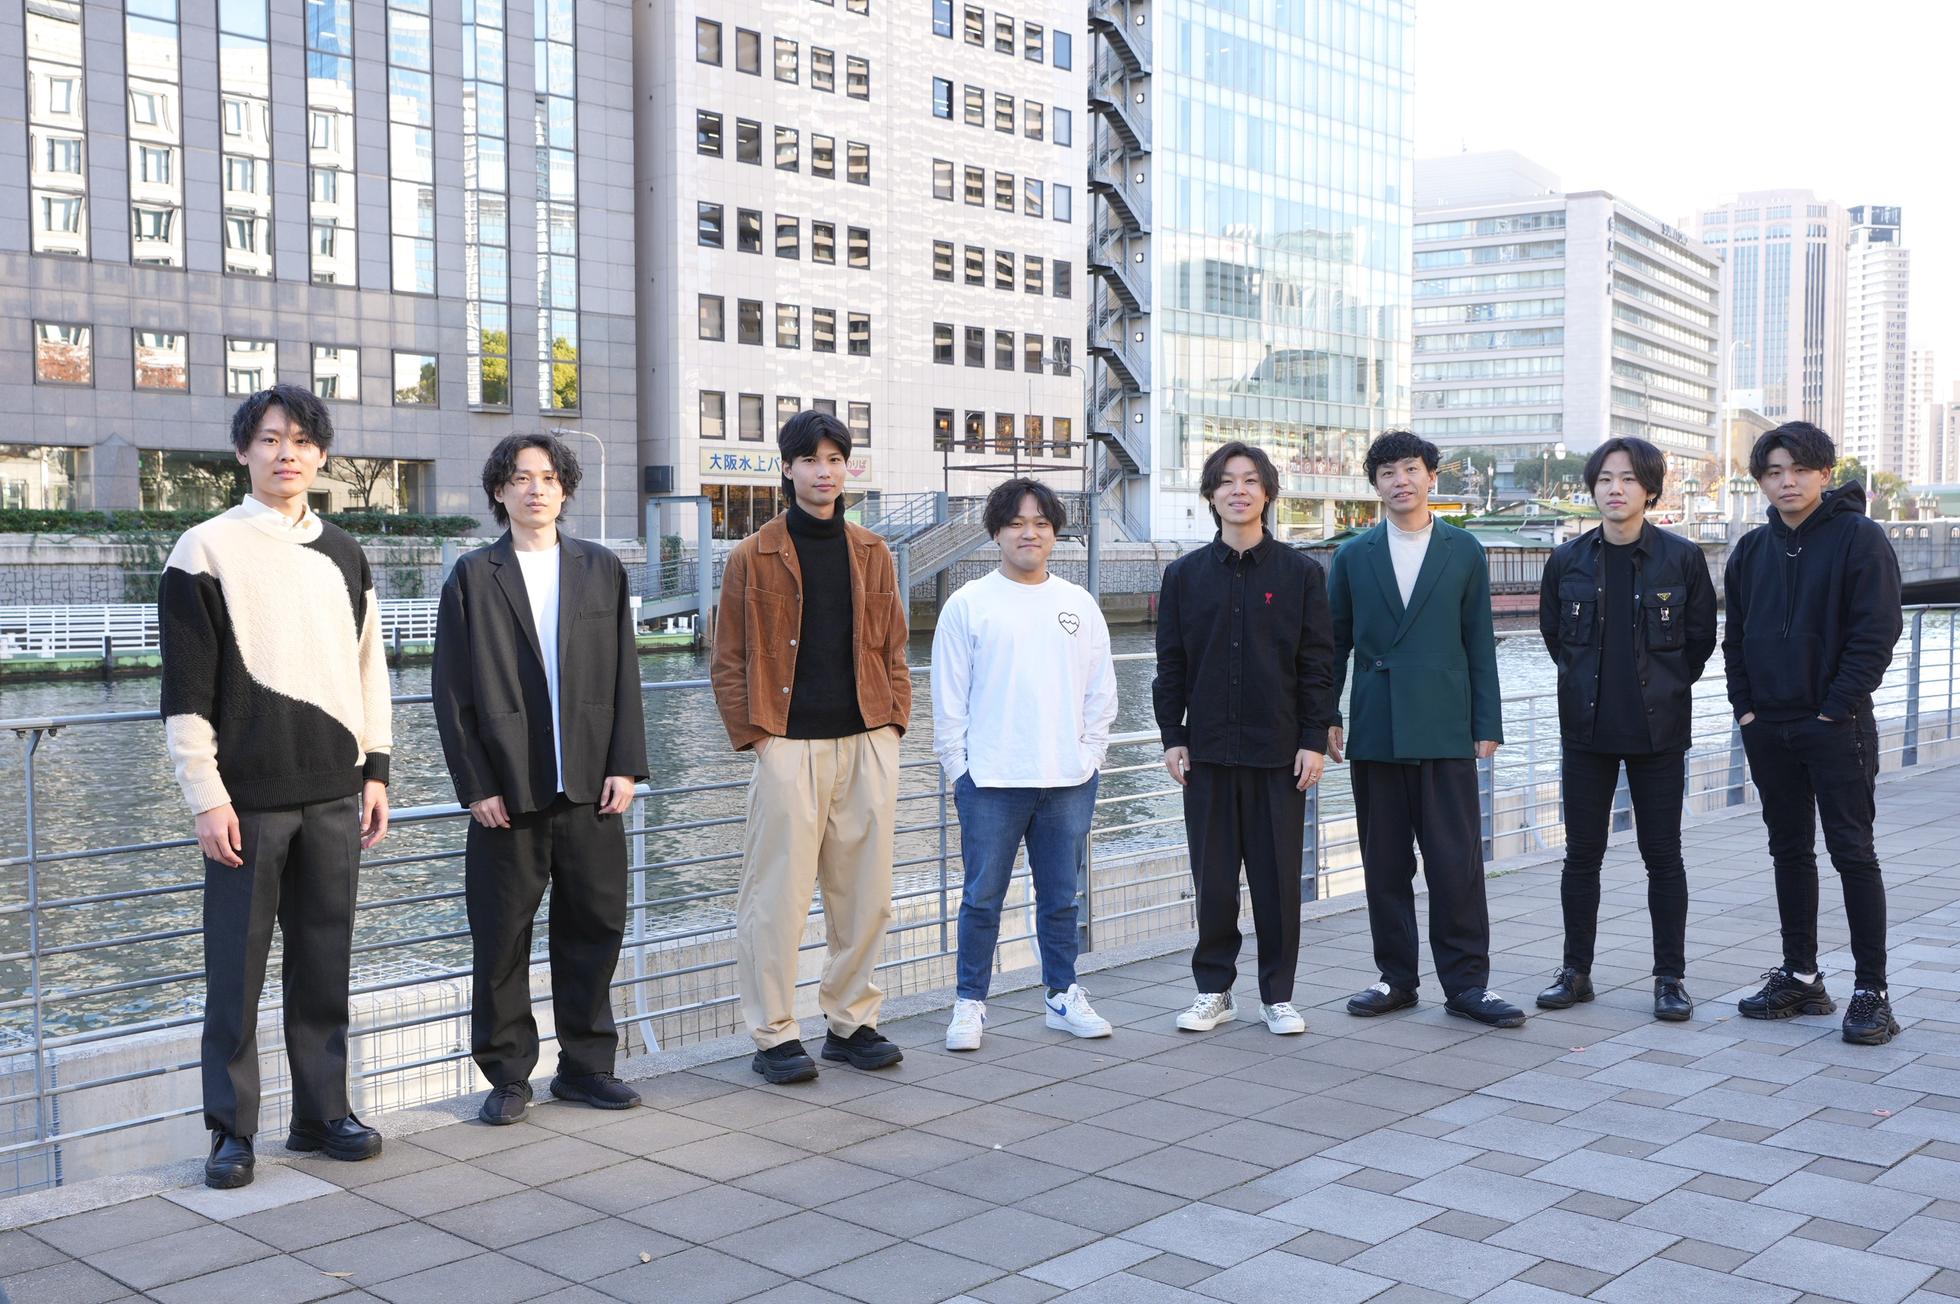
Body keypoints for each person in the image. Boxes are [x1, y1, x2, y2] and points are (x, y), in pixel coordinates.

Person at [159, 385, 391, 1189]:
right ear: (243, 452)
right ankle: (231, 1132)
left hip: (334, 791)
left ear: (321, 455)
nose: (284, 453)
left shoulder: (346, 550)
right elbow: (185, 689)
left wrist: (376, 769)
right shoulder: (204, 549)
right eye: (268, 438)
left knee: (325, 964)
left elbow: (369, 667)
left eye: (299, 440)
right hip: (245, 801)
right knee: (236, 973)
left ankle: (323, 1114)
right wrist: (206, 795)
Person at [432, 434, 649, 1125]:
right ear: (500, 491)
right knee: (502, 937)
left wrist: (625, 763)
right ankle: (507, 1075)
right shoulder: (474, 576)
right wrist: (476, 784)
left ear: (565, 489)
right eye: (521, 478)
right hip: (508, 791)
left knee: (595, 927)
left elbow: (625, 673)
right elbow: (451, 692)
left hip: (591, 785)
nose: (536, 489)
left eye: (549, 477)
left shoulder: (600, 567)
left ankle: (586, 1067)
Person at [711, 410, 911, 1083]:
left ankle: (851, 1023)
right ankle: (774, 1033)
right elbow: (728, 658)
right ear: (788, 469)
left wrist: (893, 725)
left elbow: (894, 648)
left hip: (867, 737)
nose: (824, 471)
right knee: (776, 898)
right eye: (811, 460)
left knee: (867, 896)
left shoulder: (873, 550)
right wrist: (759, 739)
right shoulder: (752, 554)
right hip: (787, 744)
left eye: (835, 459)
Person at [1327, 430, 1521, 1027]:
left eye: (1411, 469)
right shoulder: (1352, 555)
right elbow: (1331, 646)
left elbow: (1479, 641)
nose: (1401, 481)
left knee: (1454, 863)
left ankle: (1467, 985)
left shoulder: (1464, 549)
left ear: (1431, 477)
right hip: (1377, 726)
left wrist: (1487, 720)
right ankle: (1396, 979)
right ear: (1375, 485)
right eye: (1388, 472)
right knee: (1385, 864)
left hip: (1445, 724)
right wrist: (1325, 715)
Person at [1724, 422, 1903, 1045]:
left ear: (1825, 474)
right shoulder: (1751, 549)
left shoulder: (1859, 538)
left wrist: (1833, 709)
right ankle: (1801, 976)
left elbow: (1876, 633)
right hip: (1768, 727)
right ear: (1761, 481)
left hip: (1836, 726)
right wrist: (1746, 710)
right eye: (1774, 472)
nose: (1787, 482)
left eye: (1799, 469)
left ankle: (1872, 992)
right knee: (1789, 851)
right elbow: (1734, 638)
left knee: (1852, 852)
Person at [1152, 441, 1334, 1036]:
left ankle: (1277, 995)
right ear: (1211, 495)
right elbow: (1171, 664)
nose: (1239, 490)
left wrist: (1313, 738)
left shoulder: (1301, 574)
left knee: (1278, 883)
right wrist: (1172, 735)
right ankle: (1214, 990)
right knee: (1213, 882)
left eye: (1251, 480)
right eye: (1227, 481)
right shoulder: (1183, 576)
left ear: (1267, 493)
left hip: (1279, 752)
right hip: (1205, 752)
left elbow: (1318, 664)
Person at [1535, 437, 1716, 1021]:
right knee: (1580, 858)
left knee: (1663, 857)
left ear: (1650, 490)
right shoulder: (1566, 560)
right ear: (1593, 489)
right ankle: (1575, 972)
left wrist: (1663, 686)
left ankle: (1670, 978)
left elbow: (1699, 640)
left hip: (1658, 733)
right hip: (1585, 733)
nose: (1616, 489)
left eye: (1629, 479)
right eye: (1606, 479)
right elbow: (1555, 637)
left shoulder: (1681, 558)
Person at [935, 478, 1118, 1052]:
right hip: (990, 781)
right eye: (1015, 522)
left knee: (1061, 897)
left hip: (1068, 779)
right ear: (996, 532)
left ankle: (1062, 995)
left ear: (1055, 533)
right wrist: (959, 769)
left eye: (1040, 523)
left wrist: (1089, 756)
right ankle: (969, 1003)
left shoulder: (1078, 603)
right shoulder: (969, 604)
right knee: (981, 898)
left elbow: (1101, 691)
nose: (1029, 533)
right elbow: (948, 698)